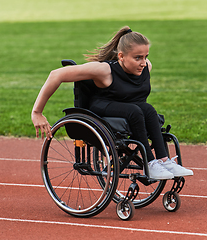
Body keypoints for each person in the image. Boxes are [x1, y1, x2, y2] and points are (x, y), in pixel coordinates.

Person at [31, 26, 193, 180]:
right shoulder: (104, 70)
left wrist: (141, 63)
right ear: (121, 56)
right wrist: (37, 112)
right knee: (135, 111)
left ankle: (164, 161)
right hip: (102, 107)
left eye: (145, 57)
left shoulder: (145, 68)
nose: (143, 62)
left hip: (129, 108)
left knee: (149, 110)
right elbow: (55, 75)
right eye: (138, 58)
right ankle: (150, 164)